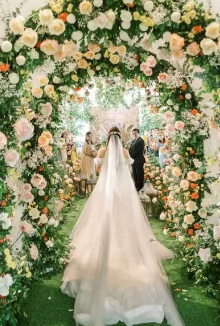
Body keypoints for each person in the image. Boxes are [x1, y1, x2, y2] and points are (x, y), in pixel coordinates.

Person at [61, 127, 184, 326]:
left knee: (100, 221)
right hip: (121, 191)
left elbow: (99, 169)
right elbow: (126, 171)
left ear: (109, 138)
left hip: (105, 191)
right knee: (124, 221)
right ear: (120, 138)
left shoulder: (102, 151)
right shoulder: (125, 152)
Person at [128, 128, 145, 192]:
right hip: (133, 160)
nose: (134, 134)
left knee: (139, 174)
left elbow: (139, 151)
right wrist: (130, 155)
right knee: (134, 175)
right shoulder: (133, 141)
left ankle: (140, 187)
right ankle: (136, 186)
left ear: (138, 133)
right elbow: (129, 149)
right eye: (133, 133)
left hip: (139, 160)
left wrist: (132, 155)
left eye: (135, 133)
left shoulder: (141, 141)